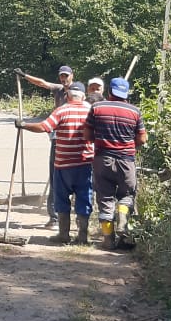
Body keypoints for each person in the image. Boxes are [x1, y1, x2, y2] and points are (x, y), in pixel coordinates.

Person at [18, 81, 95, 245]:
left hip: (63, 165)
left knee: (61, 199)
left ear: (67, 95)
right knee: (84, 198)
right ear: (83, 96)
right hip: (85, 164)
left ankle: (64, 234)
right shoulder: (91, 110)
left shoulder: (61, 110)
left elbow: (44, 127)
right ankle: (82, 236)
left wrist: (24, 125)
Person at [84, 76, 148, 251]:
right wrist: (129, 145)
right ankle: (122, 222)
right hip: (126, 160)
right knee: (127, 195)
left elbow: (87, 135)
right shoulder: (135, 111)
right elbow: (142, 138)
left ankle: (108, 240)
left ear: (110, 92)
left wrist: (100, 139)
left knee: (105, 199)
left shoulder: (97, 108)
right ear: (126, 93)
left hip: (102, 159)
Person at [15, 65, 73, 223]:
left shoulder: (78, 92)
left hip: (74, 139)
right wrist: (25, 76)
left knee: (73, 178)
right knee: (55, 176)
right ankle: (54, 217)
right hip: (57, 137)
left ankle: (77, 218)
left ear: (72, 76)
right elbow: (42, 83)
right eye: (62, 76)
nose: (64, 79)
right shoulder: (58, 89)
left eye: (66, 76)